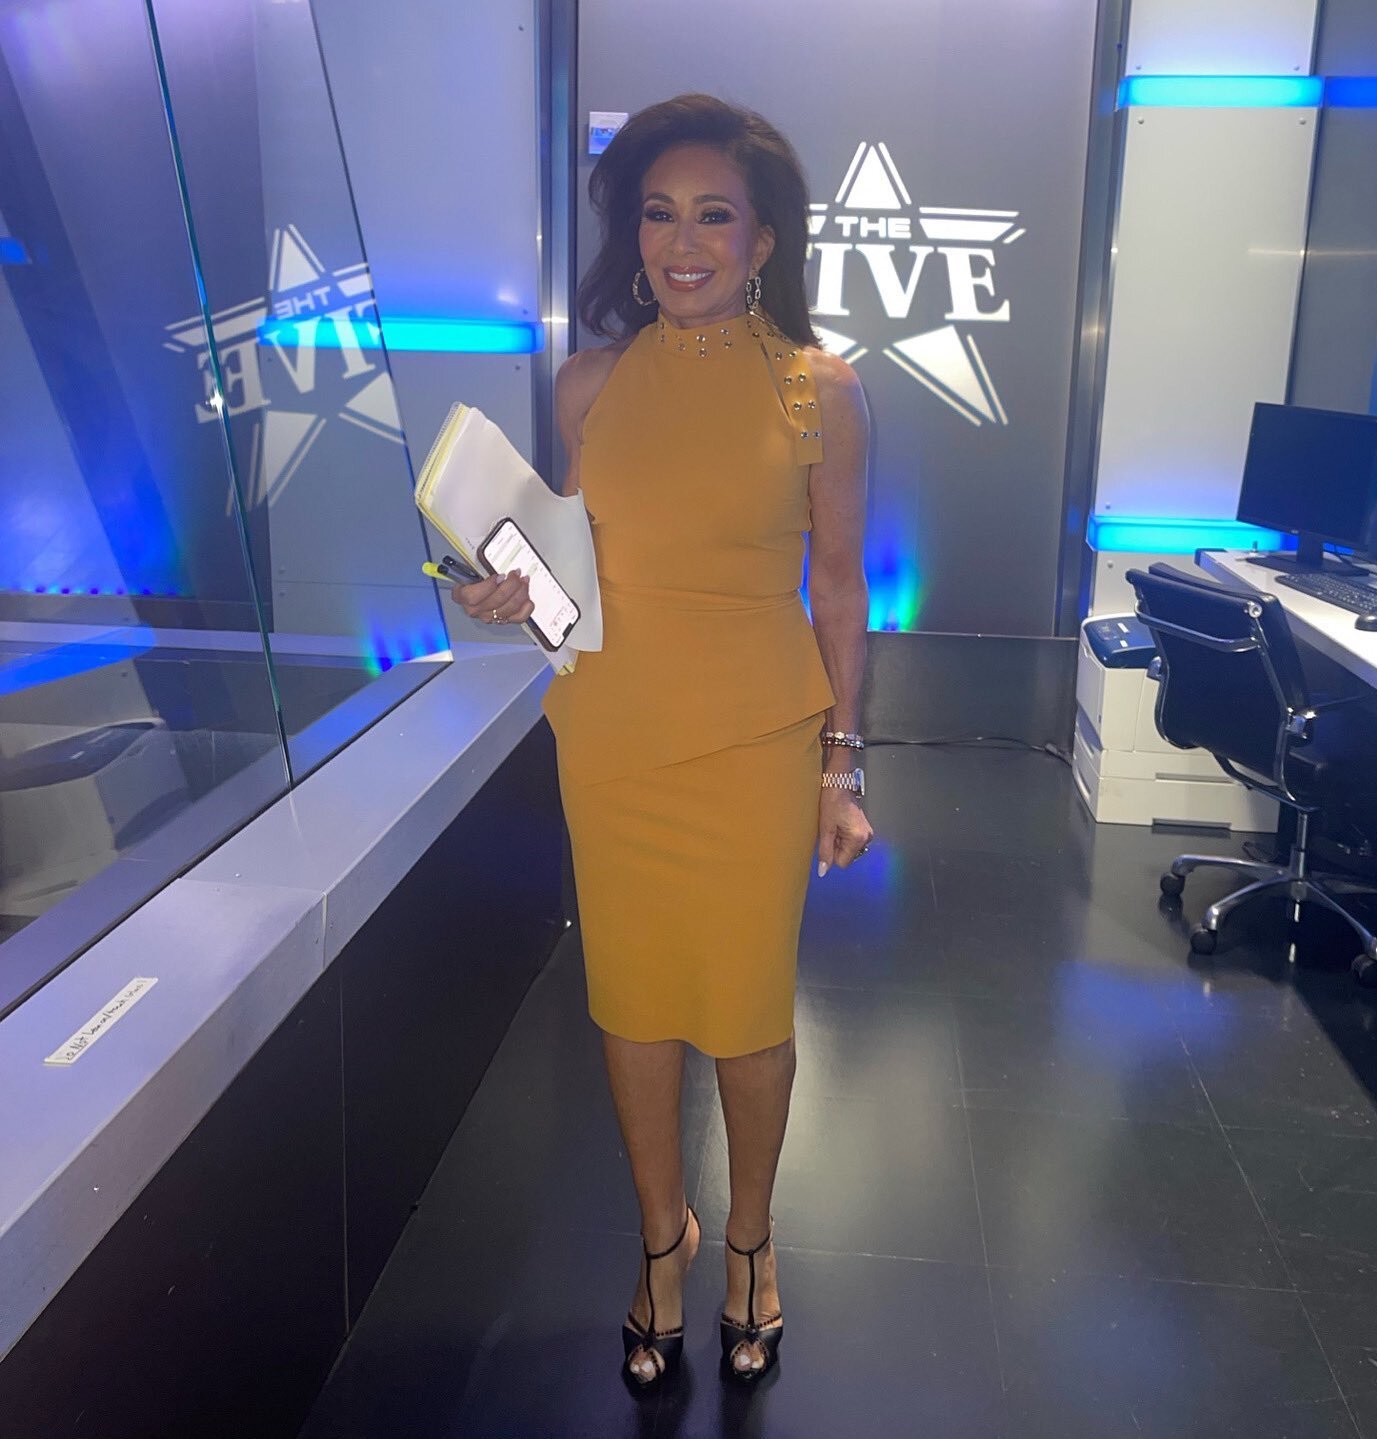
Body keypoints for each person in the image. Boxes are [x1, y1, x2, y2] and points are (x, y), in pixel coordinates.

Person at [450, 93, 872, 1390]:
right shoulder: (589, 383)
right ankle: (660, 1241)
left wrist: (843, 763)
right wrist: (507, 593)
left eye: (714, 216)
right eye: (659, 214)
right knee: (632, 1005)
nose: (683, 243)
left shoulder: (821, 389)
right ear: (634, 236)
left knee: (744, 1013)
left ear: (763, 241)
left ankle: (749, 1240)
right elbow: (574, 567)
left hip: (756, 739)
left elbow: (841, 586)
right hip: (615, 735)